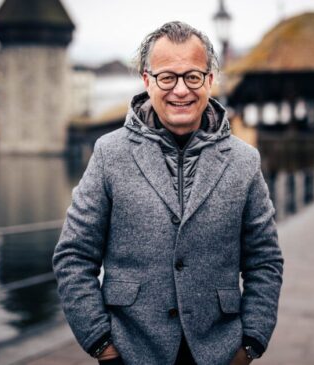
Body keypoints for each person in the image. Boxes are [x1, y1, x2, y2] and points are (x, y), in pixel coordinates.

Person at [52, 21, 284, 365]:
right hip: (130, 352)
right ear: (147, 80)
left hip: (218, 353)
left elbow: (265, 261)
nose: (180, 90)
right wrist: (101, 343)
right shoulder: (109, 154)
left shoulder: (244, 162)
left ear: (209, 80)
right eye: (167, 77)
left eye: (192, 76)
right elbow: (73, 256)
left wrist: (251, 342)